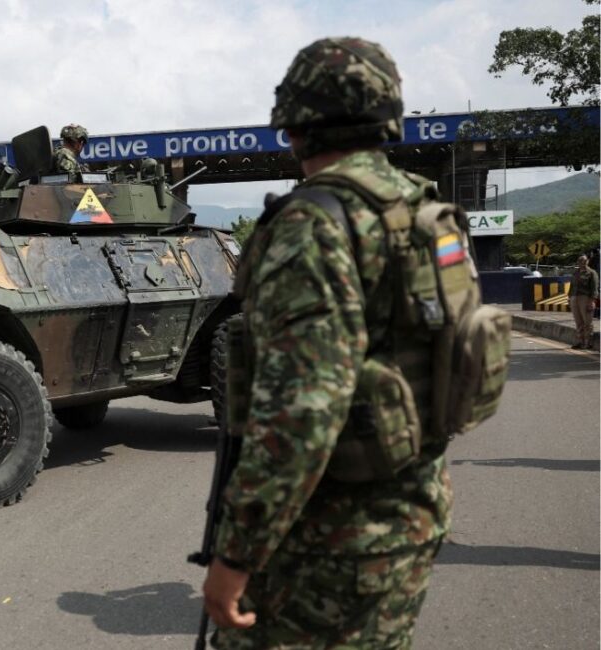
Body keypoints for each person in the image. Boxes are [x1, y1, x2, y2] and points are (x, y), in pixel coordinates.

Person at [202, 37, 450, 648]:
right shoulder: (422, 211)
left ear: (293, 125)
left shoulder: (311, 227)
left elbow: (304, 412)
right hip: (410, 517)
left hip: (322, 550)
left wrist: (235, 557)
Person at [569, 254, 598, 349]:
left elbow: (594, 289)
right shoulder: (575, 272)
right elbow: (572, 286)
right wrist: (569, 297)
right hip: (574, 297)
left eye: (584, 261)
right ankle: (580, 341)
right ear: (578, 262)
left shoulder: (592, 273)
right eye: (580, 261)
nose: (583, 263)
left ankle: (588, 342)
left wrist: (592, 301)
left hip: (585, 298)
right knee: (578, 321)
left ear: (588, 261)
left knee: (587, 321)